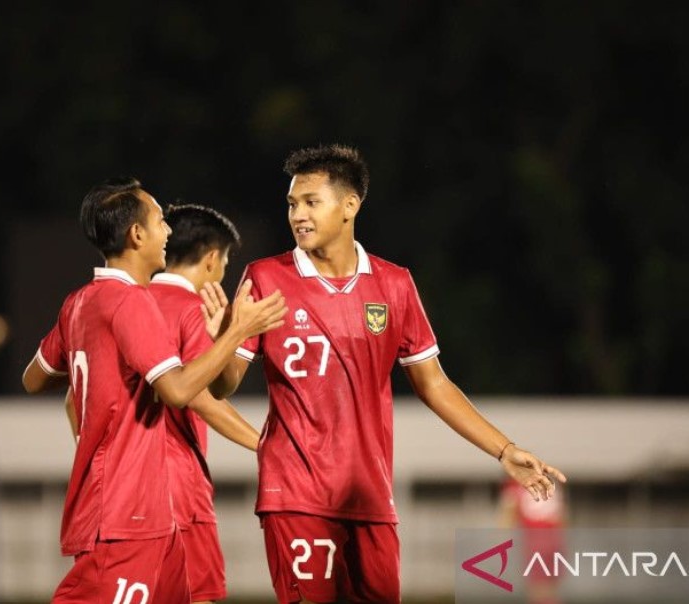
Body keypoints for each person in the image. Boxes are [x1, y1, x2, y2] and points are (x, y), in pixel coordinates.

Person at [202, 145, 567, 604]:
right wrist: (225, 338)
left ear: (350, 205)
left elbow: (433, 384)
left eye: (311, 202)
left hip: (371, 498)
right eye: (292, 204)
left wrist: (505, 450)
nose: (298, 215)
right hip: (296, 493)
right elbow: (224, 385)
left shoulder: (393, 284)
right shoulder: (266, 276)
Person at [21, 177, 286, 604]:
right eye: (161, 220)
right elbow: (181, 391)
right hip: (128, 511)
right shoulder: (130, 302)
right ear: (136, 233)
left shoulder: (79, 302)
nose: (168, 231)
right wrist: (238, 330)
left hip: (145, 509)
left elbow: (34, 378)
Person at [152, 203, 258, 603]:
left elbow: (75, 400)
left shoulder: (125, 304)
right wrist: (268, 444)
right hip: (177, 486)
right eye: (227, 261)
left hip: (121, 491)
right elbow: (203, 400)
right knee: (198, 596)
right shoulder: (192, 310)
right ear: (212, 258)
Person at [500, 477, 566, 604]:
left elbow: (508, 514)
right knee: (551, 586)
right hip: (555, 538)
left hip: (535, 539)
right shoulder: (549, 481)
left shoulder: (516, 484)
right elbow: (562, 514)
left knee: (538, 588)